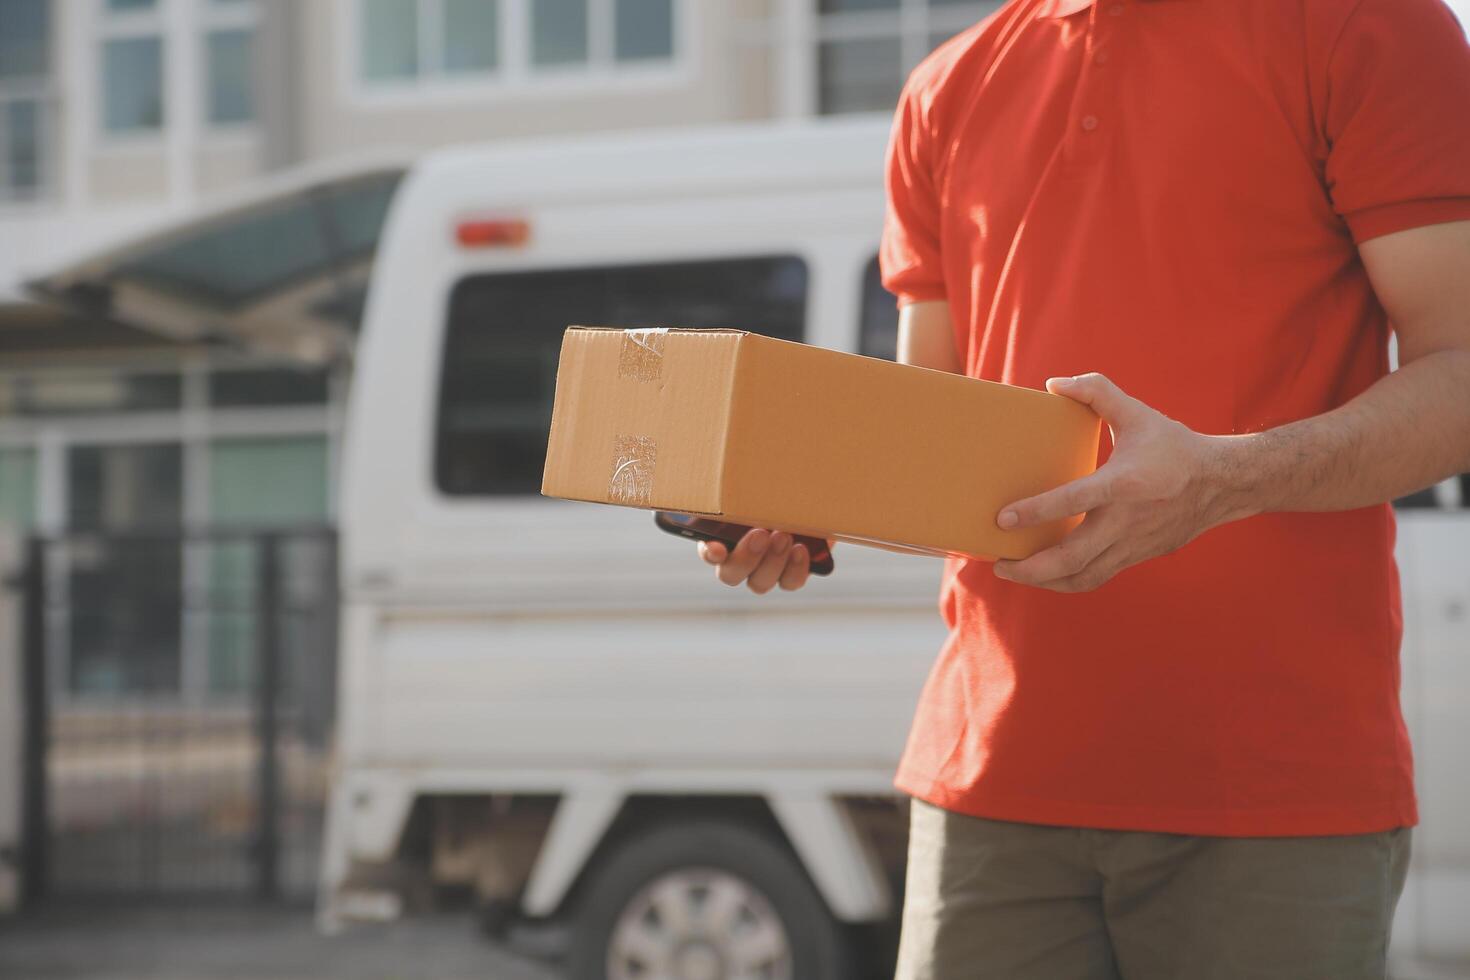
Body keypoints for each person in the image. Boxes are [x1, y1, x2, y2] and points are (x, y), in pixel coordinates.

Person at [692, 0, 1470, 976]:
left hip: (1271, 793)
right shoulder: (946, 89)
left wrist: (1224, 480)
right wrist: (809, 502)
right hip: (992, 777)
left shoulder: (1368, 28)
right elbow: (935, 437)